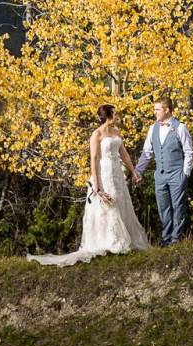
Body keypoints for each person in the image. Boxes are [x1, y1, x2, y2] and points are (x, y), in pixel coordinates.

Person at [28, 104, 150, 265]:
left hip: (116, 173)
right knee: (109, 203)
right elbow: (94, 158)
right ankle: (112, 241)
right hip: (103, 172)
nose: (118, 116)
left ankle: (125, 238)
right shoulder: (96, 134)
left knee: (121, 201)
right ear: (108, 116)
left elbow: (124, 154)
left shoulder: (116, 132)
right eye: (115, 114)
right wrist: (96, 183)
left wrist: (133, 171)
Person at [135, 98, 193, 245]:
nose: (154, 112)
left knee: (178, 207)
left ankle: (176, 239)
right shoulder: (152, 128)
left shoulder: (180, 127)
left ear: (167, 110)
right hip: (160, 176)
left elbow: (188, 152)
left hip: (177, 174)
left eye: (157, 109)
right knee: (163, 208)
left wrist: (185, 173)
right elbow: (147, 153)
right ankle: (166, 238)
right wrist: (137, 171)